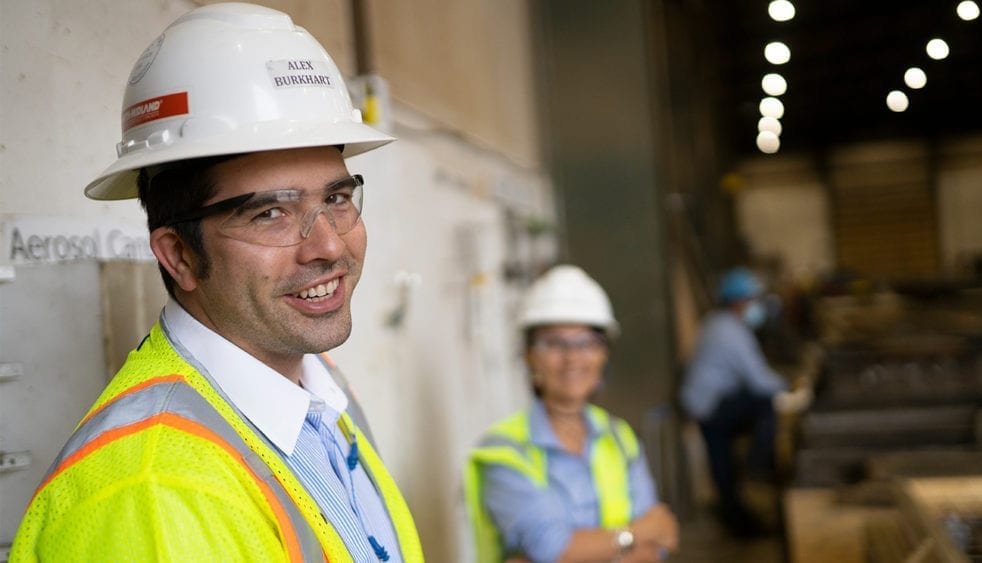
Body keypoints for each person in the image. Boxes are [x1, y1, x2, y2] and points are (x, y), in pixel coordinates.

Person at [11, 4, 422, 561]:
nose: (328, 246)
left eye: (337, 198)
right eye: (269, 214)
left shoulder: (320, 387)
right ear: (178, 255)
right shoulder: (152, 491)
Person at [465, 265, 679, 563]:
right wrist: (634, 536)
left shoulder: (619, 437)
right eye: (554, 343)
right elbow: (553, 549)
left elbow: (660, 541)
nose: (572, 358)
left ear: (604, 353)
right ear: (529, 355)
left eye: (586, 342)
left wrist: (576, 552)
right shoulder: (503, 450)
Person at [679, 268, 810, 537]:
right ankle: (758, 468)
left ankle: (736, 515)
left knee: (723, 464)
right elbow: (759, 380)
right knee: (764, 403)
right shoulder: (731, 331)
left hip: (707, 403)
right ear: (739, 302)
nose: (756, 306)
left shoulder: (718, 323)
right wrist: (790, 386)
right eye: (752, 300)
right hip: (710, 406)